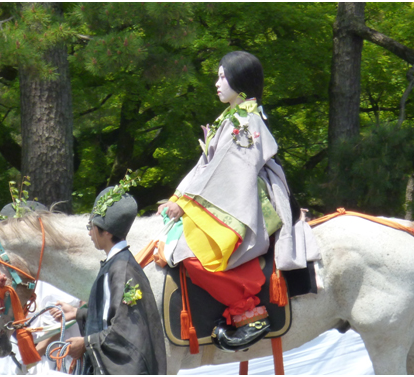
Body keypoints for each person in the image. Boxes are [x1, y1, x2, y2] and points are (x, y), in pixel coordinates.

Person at [156, 51, 313, 351]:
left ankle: (247, 310)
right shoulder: (231, 117)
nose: (217, 82)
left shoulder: (244, 118)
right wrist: (179, 197)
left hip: (245, 202)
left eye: (222, 76)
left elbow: (227, 170)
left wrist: (186, 204)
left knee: (192, 254)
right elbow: (206, 167)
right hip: (228, 196)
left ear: (239, 80)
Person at [57, 189, 166, 375]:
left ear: (106, 232)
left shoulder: (122, 269)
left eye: (91, 227)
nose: (90, 233)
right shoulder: (117, 264)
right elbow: (111, 316)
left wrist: (86, 343)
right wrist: (79, 313)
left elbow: (126, 329)